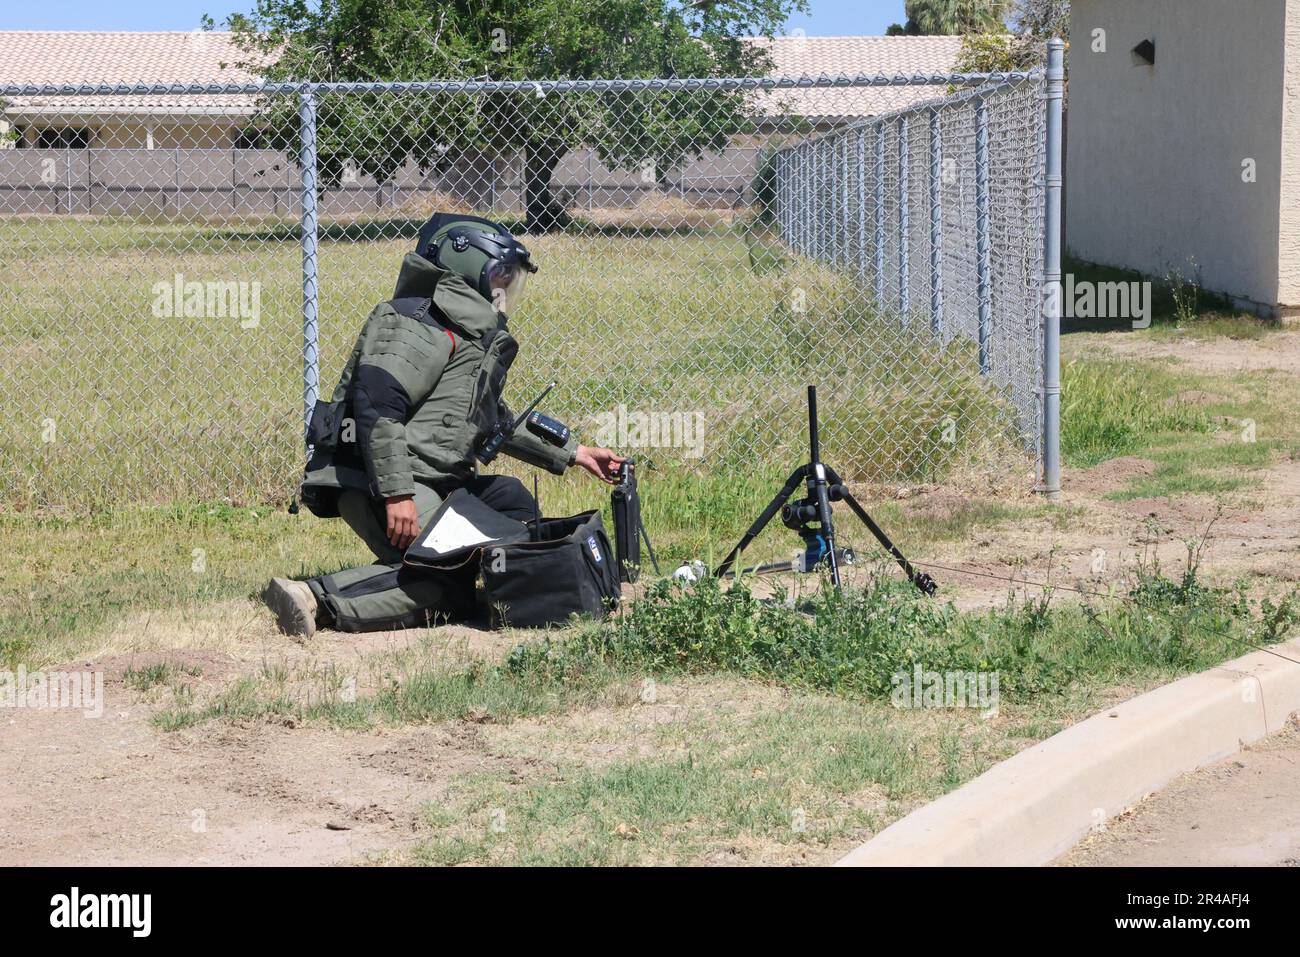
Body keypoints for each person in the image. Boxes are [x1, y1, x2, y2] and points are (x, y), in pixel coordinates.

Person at [263, 213, 624, 637]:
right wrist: (397, 494)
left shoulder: (464, 329)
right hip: (376, 480)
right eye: (501, 275)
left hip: (431, 478)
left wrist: (577, 454)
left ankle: (491, 588)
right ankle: (312, 598)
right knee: (445, 582)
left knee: (511, 501)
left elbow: (490, 420)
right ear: (468, 264)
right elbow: (378, 405)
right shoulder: (419, 321)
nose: (505, 288)